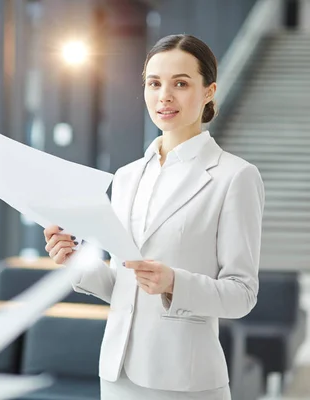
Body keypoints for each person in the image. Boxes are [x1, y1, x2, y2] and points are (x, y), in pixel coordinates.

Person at [44, 34, 264, 399]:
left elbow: (242, 295)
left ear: (209, 91)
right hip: (117, 374)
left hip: (185, 379)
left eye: (181, 83)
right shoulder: (128, 176)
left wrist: (174, 282)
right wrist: (75, 262)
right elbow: (123, 286)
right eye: (154, 83)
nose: (165, 96)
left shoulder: (234, 176)